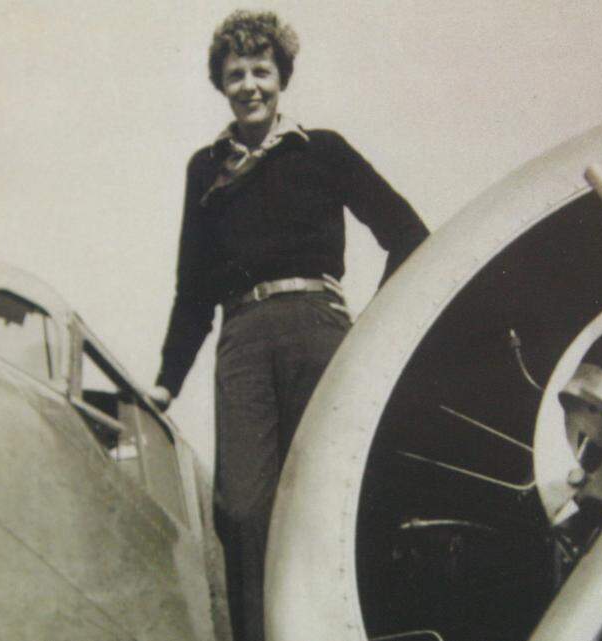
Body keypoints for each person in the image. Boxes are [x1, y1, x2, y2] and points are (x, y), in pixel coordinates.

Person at [148, 10, 428, 641]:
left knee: (331, 496)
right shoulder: (205, 169)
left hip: (318, 330)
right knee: (243, 510)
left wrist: (369, 333)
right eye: (235, 74)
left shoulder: (322, 150)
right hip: (243, 339)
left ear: (282, 77)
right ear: (220, 84)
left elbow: (408, 232)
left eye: (261, 71)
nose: (249, 85)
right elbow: (193, 290)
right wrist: (166, 382)